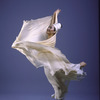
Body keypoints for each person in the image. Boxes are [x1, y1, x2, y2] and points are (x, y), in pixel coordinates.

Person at [12, 9, 86, 100]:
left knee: (62, 71)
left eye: (50, 28)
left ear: (54, 32)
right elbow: (53, 23)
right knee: (54, 80)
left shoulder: (52, 37)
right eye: (49, 27)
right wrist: (55, 14)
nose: (48, 28)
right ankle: (59, 93)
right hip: (47, 61)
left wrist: (22, 44)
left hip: (52, 58)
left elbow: (55, 24)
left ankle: (79, 66)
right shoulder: (46, 35)